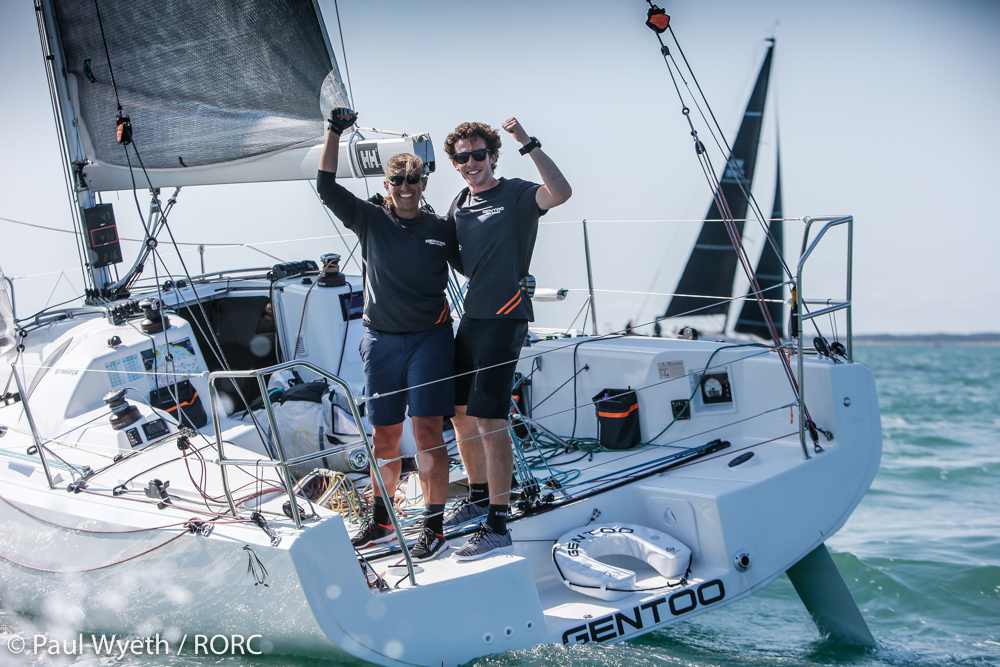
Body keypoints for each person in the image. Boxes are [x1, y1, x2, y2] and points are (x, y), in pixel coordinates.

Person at [317, 108, 458, 562]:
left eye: (412, 181)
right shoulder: (370, 220)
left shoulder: (441, 230)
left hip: (430, 340)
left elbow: (478, 261)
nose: (404, 189)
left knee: (429, 432)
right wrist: (334, 132)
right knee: (384, 438)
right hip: (381, 342)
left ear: (422, 184)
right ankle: (380, 519)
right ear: (386, 187)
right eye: (396, 183)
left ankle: (433, 529)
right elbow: (325, 187)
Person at [444, 117, 571, 561]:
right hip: (472, 317)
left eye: (479, 154)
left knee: (489, 419)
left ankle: (498, 523)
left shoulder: (516, 193)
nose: (472, 162)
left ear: (492, 156)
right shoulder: (459, 203)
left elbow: (561, 192)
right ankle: (479, 496)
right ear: (455, 163)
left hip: (505, 317)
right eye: (463, 157)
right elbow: (456, 256)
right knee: (459, 413)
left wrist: (528, 143)